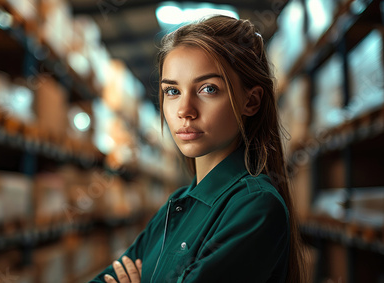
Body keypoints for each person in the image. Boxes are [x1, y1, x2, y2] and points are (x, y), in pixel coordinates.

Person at [90, 15, 305, 283]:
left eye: (208, 89)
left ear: (251, 101)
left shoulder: (256, 206)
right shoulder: (176, 207)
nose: (185, 111)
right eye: (172, 91)